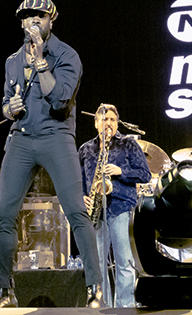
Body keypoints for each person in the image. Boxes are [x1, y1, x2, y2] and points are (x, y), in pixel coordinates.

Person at [0, 0, 104, 308]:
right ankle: (5, 292)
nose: (33, 21)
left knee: (76, 212)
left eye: (40, 16)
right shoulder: (13, 61)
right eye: (28, 17)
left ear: (51, 20)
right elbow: (6, 102)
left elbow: (60, 99)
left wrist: (41, 61)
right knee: (4, 216)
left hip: (56, 136)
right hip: (21, 138)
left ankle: (94, 289)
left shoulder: (66, 55)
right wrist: (10, 109)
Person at [79, 104, 151, 307]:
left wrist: (121, 171)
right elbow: (79, 178)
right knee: (98, 264)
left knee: (124, 262)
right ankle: (102, 305)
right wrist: (81, 196)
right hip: (95, 211)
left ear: (117, 123)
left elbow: (145, 174)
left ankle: (125, 307)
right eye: (104, 119)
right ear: (96, 123)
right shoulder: (85, 149)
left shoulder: (128, 144)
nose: (108, 123)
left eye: (112, 119)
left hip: (121, 207)